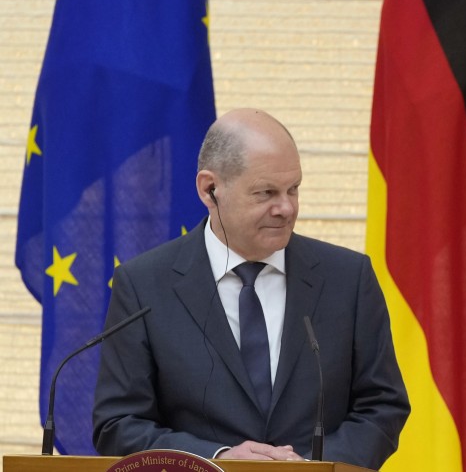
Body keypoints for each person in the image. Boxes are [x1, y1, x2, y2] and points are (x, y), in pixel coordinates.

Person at [94, 109, 410, 468]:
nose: (286, 208)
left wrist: (314, 467)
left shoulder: (348, 278)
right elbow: (118, 423)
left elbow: (383, 405)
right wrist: (217, 461)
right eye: (266, 193)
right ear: (209, 190)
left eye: (294, 189)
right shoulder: (145, 286)